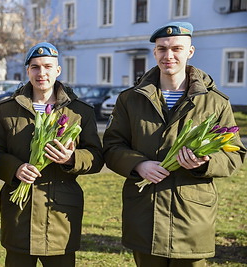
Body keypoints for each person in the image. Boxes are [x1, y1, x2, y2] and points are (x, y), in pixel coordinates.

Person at [103, 22, 246, 267]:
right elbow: (112, 146)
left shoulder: (214, 102)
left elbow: (234, 155)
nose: (169, 56)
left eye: (177, 49)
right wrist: (139, 165)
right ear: (154, 52)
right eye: (162, 49)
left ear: (190, 52)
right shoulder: (130, 99)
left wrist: (206, 162)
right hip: (145, 214)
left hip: (191, 218)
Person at [0, 42, 104, 266]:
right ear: (27, 71)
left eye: (48, 66)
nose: (42, 73)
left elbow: (97, 157)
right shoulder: (6, 110)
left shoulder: (80, 111)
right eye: (35, 67)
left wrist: (72, 159)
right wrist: (15, 168)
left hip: (59, 212)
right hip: (19, 213)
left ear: (58, 70)